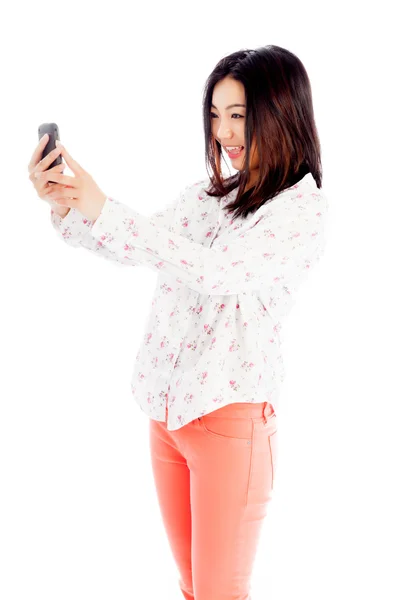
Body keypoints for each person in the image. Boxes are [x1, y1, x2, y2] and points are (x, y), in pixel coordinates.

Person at [28, 44, 329, 600]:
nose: (224, 132)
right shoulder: (213, 196)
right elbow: (136, 245)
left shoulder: (301, 210)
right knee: (193, 590)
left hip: (229, 422)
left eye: (238, 115)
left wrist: (103, 208)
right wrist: (69, 205)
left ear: (281, 110)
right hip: (167, 416)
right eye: (216, 115)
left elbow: (217, 271)